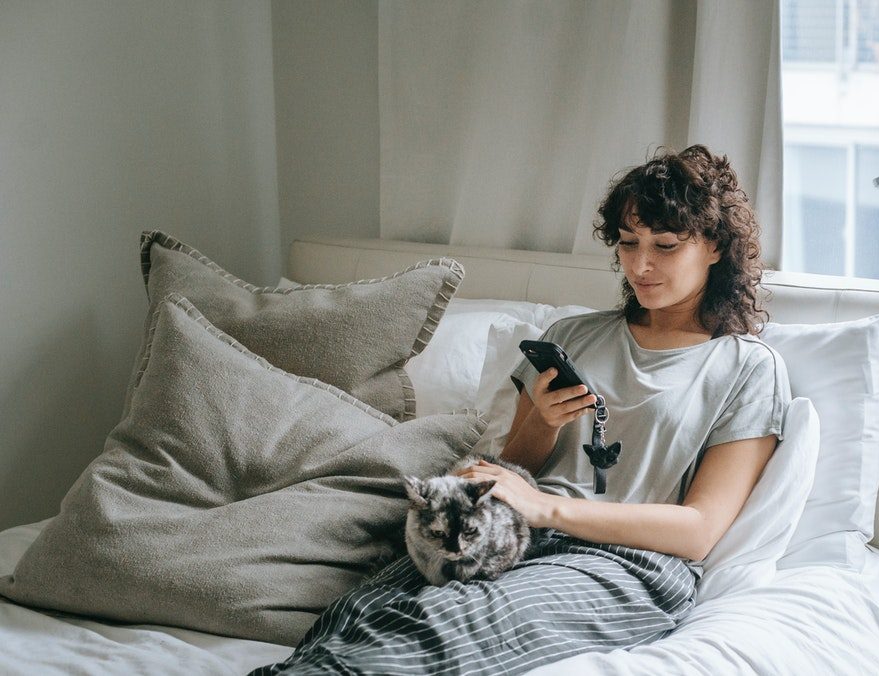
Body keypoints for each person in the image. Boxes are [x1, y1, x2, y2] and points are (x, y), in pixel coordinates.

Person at [253, 144, 791, 675]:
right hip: (507, 531)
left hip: (623, 562)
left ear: (716, 247)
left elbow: (699, 529)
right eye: (628, 242)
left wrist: (546, 509)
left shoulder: (747, 368)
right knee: (356, 614)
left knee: (442, 624)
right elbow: (516, 464)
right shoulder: (572, 336)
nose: (641, 264)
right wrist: (542, 422)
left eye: (666, 246)